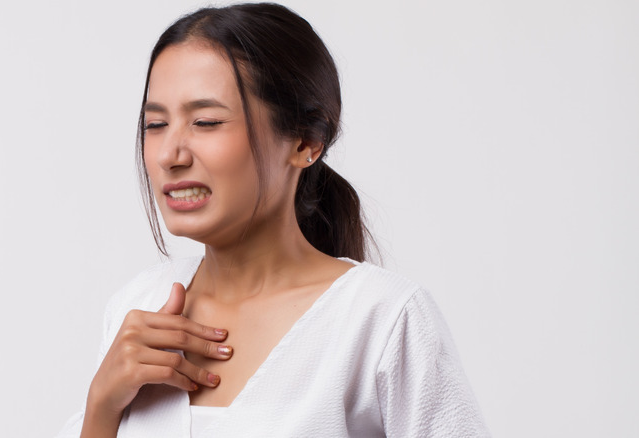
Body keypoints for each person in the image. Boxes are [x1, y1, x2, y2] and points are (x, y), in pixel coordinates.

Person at [58, 3, 489, 437]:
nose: (170, 155)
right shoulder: (137, 307)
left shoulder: (381, 319)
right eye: (155, 124)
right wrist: (102, 408)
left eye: (206, 122)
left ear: (306, 141)